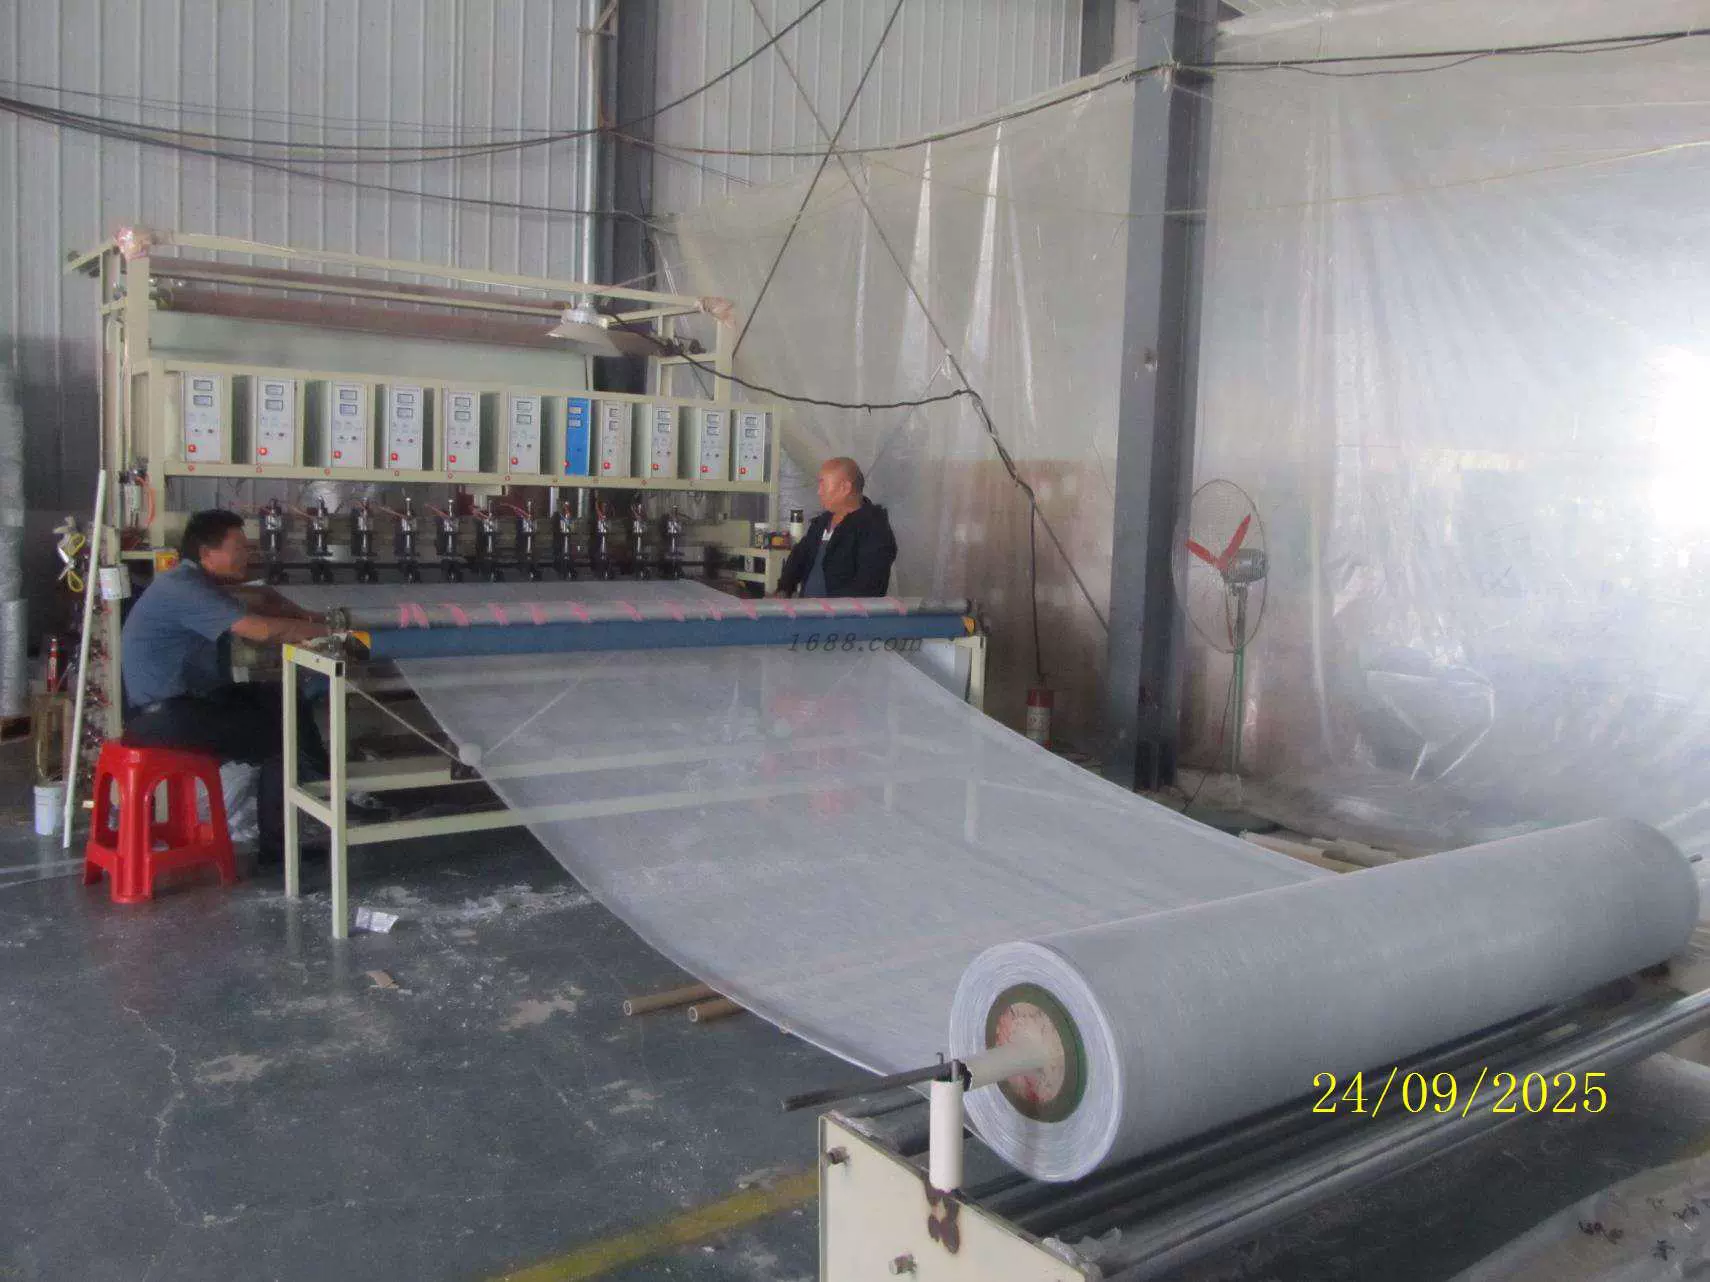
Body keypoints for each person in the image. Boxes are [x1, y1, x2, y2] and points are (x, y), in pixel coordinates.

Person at [121, 509, 330, 865]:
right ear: (207, 553)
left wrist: (306, 615)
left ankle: (322, 781)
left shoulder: (192, 581)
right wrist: (333, 632)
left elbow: (257, 601)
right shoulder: (185, 589)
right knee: (282, 739)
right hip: (167, 717)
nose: (248, 555)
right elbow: (261, 630)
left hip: (185, 703)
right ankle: (279, 849)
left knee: (280, 698)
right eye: (239, 548)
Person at [775, 457, 898, 598]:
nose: (819, 492)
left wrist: (834, 607)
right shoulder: (821, 523)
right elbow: (798, 557)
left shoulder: (874, 528)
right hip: (808, 609)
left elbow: (870, 585)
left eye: (823, 484)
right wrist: (784, 588)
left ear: (845, 488)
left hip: (844, 611)